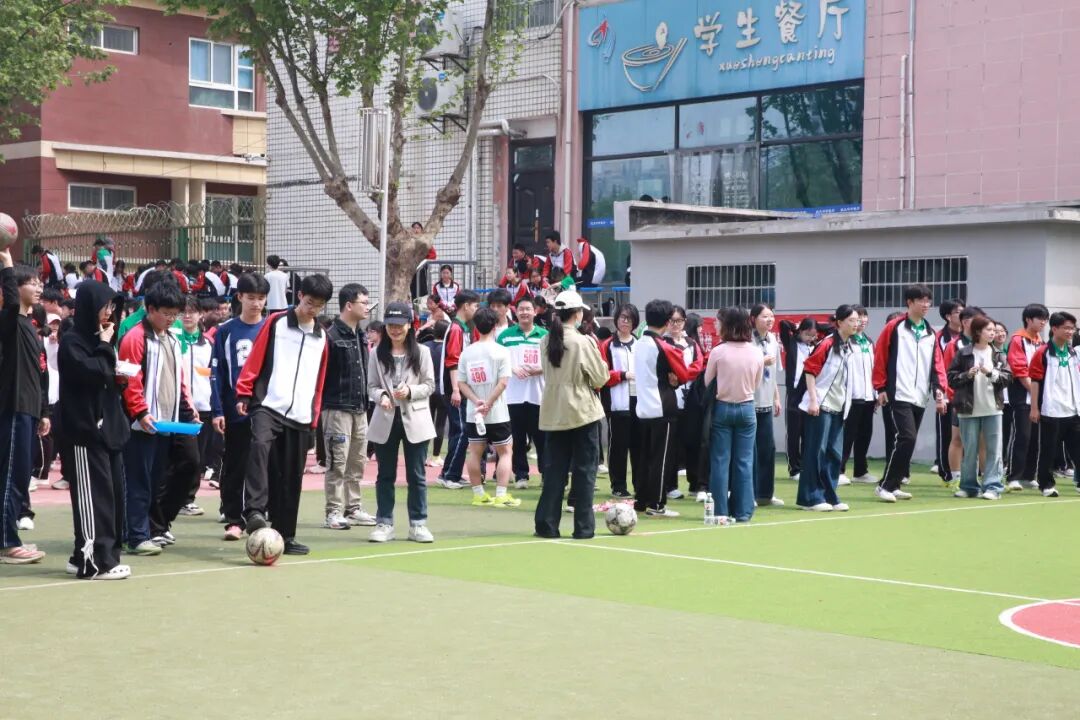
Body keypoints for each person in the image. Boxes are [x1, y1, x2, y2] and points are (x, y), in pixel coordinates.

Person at [235, 274, 334, 555]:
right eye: (309, 302)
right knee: (259, 447)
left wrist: (314, 417)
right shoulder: (276, 322)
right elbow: (256, 357)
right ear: (299, 296)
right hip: (268, 404)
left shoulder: (322, 338)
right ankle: (254, 511)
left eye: (319, 305)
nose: (312, 309)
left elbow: (319, 381)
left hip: (301, 414)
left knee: (291, 477)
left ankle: (285, 535)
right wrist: (244, 392)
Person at [57, 280, 131, 579]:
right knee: (94, 499)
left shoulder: (100, 340)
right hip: (84, 432)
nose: (109, 312)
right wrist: (105, 345)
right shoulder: (72, 342)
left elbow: (105, 377)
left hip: (107, 430)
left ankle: (86, 556)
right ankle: (94, 563)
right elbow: (93, 372)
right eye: (104, 306)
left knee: (111, 496)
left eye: (112, 306)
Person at [117, 280, 196, 556]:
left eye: (175, 314)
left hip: (165, 423)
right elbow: (128, 380)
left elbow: (178, 379)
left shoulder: (172, 338)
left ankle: (142, 530)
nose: (172, 318)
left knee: (154, 481)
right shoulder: (134, 338)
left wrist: (188, 409)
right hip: (141, 424)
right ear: (150, 309)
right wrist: (140, 411)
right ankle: (136, 536)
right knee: (138, 481)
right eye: (166, 313)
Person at [534, 291, 609, 539]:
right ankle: (583, 527)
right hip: (582, 410)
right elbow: (600, 377)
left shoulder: (545, 340)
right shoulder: (582, 341)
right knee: (585, 470)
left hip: (553, 409)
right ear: (577, 314)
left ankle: (546, 525)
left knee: (554, 470)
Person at [366, 302, 436, 543]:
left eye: (399, 325)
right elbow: (371, 386)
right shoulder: (376, 353)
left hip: (415, 418)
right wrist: (382, 396)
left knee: (416, 475)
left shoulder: (422, 352)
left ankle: (418, 524)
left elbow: (430, 385)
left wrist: (410, 391)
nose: (395, 330)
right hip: (385, 418)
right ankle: (384, 523)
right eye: (390, 325)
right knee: (385, 475)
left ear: (409, 325)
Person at [873, 284, 948, 503]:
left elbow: (937, 363)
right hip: (898, 393)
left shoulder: (930, 332)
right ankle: (886, 486)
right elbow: (880, 357)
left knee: (907, 441)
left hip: (920, 395)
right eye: (921, 300)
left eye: (928, 301)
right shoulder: (894, 327)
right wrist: (880, 387)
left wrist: (939, 389)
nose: (926, 305)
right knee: (907, 437)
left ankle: (894, 484)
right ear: (910, 302)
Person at [210, 272, 269, 541]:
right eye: (251, 298)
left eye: (261, 298)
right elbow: (218, 374)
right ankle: (233, 519)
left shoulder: (271, 329)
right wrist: (218, 410)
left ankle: (259, 512)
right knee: (235, 464)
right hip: (235, 410)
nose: (256, 303)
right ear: (240, 297)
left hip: (265, 409)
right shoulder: (226, 331)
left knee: (263, 464)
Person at [0, 252, 49, 564]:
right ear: (15, 289)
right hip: (14, 409)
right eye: (31, 283)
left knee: (19, 478)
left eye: (39, 282)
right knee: (10, 477)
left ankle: (7, 536)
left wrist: (43, 411)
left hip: (28, 410)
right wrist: (7, 265)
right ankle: (6, 542)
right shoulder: (10, 323)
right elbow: (8, 302)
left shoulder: (30, 326)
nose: (39, 287)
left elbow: (38, 373)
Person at [633, 299, 702, 518]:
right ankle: (657, 504)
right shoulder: (665, 346)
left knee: (644, 458)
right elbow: (683, 374)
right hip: (663, 406)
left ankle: (641, 500)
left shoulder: (638, 343)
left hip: (643, 407)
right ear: (666, 321)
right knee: (661, 459)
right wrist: (675, 379)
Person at [319, 283, 376, 530]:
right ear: (349, 305)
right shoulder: (330, 336)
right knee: (337, 462)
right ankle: (333, 511)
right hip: (336, 408)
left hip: (360, 408)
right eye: (364, 302)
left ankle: (353, 508)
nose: (367, 307)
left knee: (357, 462)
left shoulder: (361, 335)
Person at [797, 305, 861, 512]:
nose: (856, 324)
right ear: (839, 322)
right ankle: (810, 498)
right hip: (821, 405)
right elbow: (810, 370)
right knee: (816, 451)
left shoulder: (850, 346)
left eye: (857, 320)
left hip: (839, 407)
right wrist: (813, 400)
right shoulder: (826, 344)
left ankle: (829, 495)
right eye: (851, 320)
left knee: (834, 453)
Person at [704, 307, 763, 523]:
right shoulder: (756, 352)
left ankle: (720, 510)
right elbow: (756, 384)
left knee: (720, 460)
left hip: (723, 407)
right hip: (747, 408)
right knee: (744, 461)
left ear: (727, 325)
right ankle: (743, 511)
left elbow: (707, 381)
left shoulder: (719, 351)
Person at [457, 307, 519, 507]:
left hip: (474, 412)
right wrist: (489, 403)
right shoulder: (501, 351)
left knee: (475, 451)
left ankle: (478, 494)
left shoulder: (467, 353)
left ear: (476, 326)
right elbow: (503, 382)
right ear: (494, 326)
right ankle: (501, 494)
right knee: (505, 451)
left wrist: (477, 401)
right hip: (497, 412)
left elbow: (461, 383)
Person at [948, 315, 1011, 501]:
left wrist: (991, 373)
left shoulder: (998, 354)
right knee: (970, 449)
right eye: (989, 330)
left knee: (993, 450)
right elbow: (951, 378)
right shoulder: (964, 353)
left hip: (993, 408)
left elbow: (1008, 378)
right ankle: (968, 486)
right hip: (968, 409)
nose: (993, 333)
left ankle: (993, 486)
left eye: (994, 330)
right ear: (977, 331)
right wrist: (967, 375)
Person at [1028, 311, 1080, 498]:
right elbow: (1035, 381)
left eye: (1072, 328)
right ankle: (1046, 484)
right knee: (1048, 450)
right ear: (1055, 328)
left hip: (1073, 409)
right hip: (1051, 410)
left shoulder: (1073, 352)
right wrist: (1034, 408)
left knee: (1077, 450)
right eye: (1066, 328)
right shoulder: (1042, 353)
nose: (1070, 332)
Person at [498, 297, 547, 490]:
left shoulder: (545, 335)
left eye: (528, 309)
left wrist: (539, 370)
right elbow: (498, 362)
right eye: (521, 309)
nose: (525, 312)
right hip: (513, 396)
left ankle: (546, 474)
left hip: (538, 395)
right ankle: (521, 475)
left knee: (542, 438)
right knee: (517, 438)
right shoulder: (505, 336)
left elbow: (554, 362)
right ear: (515, 312)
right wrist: (512, 368)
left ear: (535, 311)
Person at [436, 289, 480, 489]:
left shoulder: (461, 328)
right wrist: (455, 389)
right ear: (466, 306)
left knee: (458, 431)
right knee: (462, 431)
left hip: (458, 387)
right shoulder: (455, 329)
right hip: (454, 388)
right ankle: (450, 475)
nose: (476, 309)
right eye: (475, 305)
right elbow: (452, 361)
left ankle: (448, 472)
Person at [175, 296, 214, 518]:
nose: (187, 316)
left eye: (192, 312)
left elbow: (213, 375)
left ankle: (188, 499)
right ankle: (176, 498)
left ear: (201, 315)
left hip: (204, 407)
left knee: (198, 458)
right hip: (179, 408)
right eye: (183, 312)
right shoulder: (173, 339)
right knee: (181, 457)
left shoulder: (208, 344)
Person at [661, 305, 705, 501]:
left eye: (678, 321)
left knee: (693, 441)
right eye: (671, 321)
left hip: (691, 397)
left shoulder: (691, 343)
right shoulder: (663, 343)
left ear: (684, 322)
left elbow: (699, 365)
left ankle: (695, 483)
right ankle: (670, 485)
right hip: (670, 397)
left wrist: (682, 375)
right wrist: (680, 376)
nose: (675, 324)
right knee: (672, 444)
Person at [1005, 303, 1048, 491]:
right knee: (1022, 436)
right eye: (1040, 319)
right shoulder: (1018, 340)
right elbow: (1019, 369)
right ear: (1028, 320)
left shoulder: (1041, 342)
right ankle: (1013, 476)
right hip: (1022, 396)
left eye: (1045, 319)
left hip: (1038, 398)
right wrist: (1034, 391)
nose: (1043, 322)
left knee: (1035, 438)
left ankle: (1029, 475)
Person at [598, 303, 639, 499]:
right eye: (622, 317)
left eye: (629, 319)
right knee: (618, 446)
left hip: (639, 402)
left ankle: (640, 484)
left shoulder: (640, 344)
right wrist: (622, 375)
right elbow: (601, 374)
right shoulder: (607, 345)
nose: (625, 322)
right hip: (616, 403)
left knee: (639, 446)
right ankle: (618, 485)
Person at [750, 304, 784, 506]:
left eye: (771, 316)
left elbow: (774, 375)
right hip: (750, 401)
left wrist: (776, 398)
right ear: (753, 318)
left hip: (766, 401)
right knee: (751, 450)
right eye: (765, 316)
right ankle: (750, 493)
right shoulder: (747, 340)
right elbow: (744, 367)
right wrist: (761, 361)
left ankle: (766, 493)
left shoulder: (773, 340)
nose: (770, 320)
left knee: (767, 448)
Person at [840, 306, 876, 484]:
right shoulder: (846, 341)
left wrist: (876, 392)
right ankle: (839, 470)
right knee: (847, 435)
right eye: (857, 317)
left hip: (869, 396)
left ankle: (860, 471)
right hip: (852, 397)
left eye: (864, 316)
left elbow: (874, 369)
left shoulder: (868, 342)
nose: (861, 320)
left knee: (865, 434)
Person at [779, 317, 818, 480]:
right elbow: (783, 325)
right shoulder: (792, 342)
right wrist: (797, 328)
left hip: (809, 392)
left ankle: (805, 466)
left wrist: (816, 327)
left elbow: (831, 329)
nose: (810, 338)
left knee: (807, 432)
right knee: (794, 432)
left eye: (813, 335)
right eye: (807, 334)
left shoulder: (816, 346)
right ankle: (794, 469)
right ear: (800, 331)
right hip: (794, 392)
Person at [934, 298, 965, 482]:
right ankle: (946, 471)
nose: (962, 315)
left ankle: (964, 471)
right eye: (958, 312)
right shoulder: (939, 338)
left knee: (964, 435)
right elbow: (938, 367)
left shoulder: (969, 337)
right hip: (946, 391)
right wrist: (941, 392)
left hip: (965, 394)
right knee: (946, 432)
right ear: (948, 316)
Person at [422, 320, 449, 468]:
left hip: (427, 389)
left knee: (427, 422)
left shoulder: (425, 346)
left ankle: (422, 455)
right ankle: (436, 456)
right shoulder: (447, 347)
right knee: (440, 423)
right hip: (442, 389)